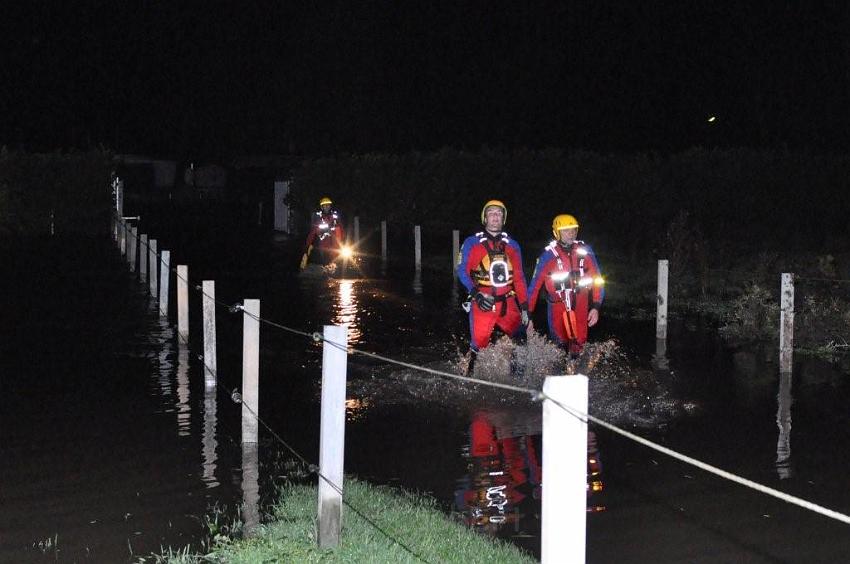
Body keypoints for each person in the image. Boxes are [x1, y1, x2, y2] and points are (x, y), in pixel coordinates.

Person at [456, 200, 529, 370]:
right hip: (483, 302)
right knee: (478, 345)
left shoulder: (512, 245)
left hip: (507, 302)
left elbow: (519, 277)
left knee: (521, 338)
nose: (495, 217)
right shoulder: (472, 243)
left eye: (499, 213)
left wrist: (525, 306)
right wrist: (476, 294)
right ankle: (470, 377)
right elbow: (461, 271)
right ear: (485, 218)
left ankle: (517, 380)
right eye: (491, 213)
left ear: (503, 218)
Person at [528, 214, 604, 355]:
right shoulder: (547, 256)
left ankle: (575, 373)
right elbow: (534, 287)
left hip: (581, 306)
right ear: (557, 233)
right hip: (558, 306)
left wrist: (596, 306)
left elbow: (597, 280)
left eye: (574, 230)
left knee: (579, 345)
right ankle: (557, 373)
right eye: (566, 230)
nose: (571, 233)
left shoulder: (585, 251)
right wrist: (528, 316)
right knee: (559, 347)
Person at [300, 196, 345, 269]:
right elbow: (312, 233)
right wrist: (307, 245)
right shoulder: (318, 218)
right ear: (322, 207)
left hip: (335, 244)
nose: (327, 207)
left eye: (328, 205)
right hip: (323, 244)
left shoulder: (335, 217)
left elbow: (341, 229)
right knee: (324, 261)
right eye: (325, 205)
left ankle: (335, 270)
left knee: (337, 260)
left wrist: (343, 241)